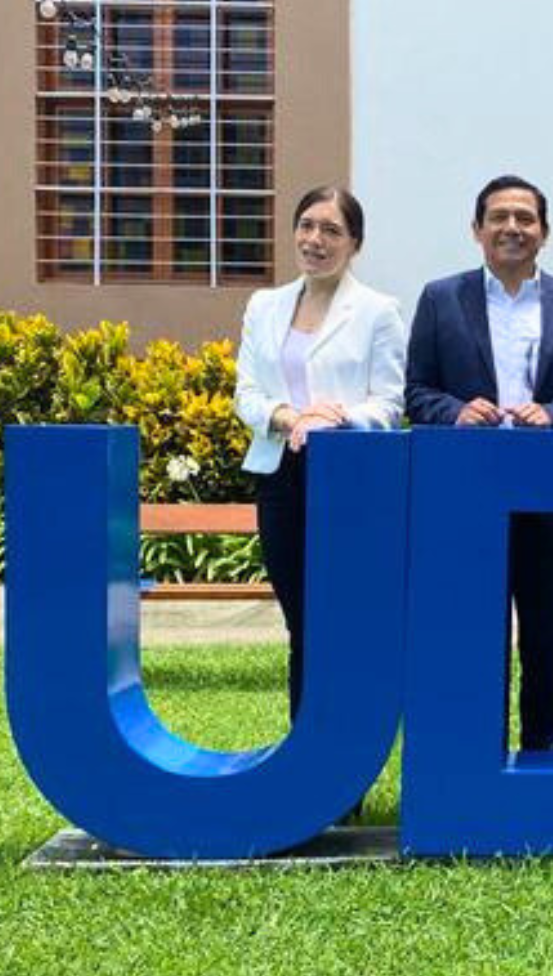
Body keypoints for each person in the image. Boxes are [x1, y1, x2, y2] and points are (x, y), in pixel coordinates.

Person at [405, 174, 553, 752]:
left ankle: (541, 757)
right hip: (470, 497)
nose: (512, 227)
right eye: (499, 217)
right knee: (475, 637)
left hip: (552, 497)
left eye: (526, 218)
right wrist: (454, 411)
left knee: (548, 639)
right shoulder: (440, 299)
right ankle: (479, 756)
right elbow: (417, 391)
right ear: (477, 229)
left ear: (544, 232)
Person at [233, 185, 406, 723]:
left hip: (348, 477)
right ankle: (307, 740)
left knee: (341, 616)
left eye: (332, 230)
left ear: (355, 243)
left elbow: (390, 402)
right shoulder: (264, 305)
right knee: (301, 619)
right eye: (307, 226)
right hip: (280, 473)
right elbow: (246, 394)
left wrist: (336, 418)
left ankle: (349, 734)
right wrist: (291, 417)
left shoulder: (378, 312)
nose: (316, 239)